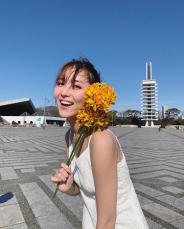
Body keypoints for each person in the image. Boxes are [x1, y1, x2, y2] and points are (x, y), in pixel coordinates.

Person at [51, 58, 149, 229]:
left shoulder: (101, 139)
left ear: (93, 95)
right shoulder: (69, 136)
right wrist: (69, 187)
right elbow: (84, 191)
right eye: (61, 83)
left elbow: (108, 220)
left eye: (76, 86)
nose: (64, 92)